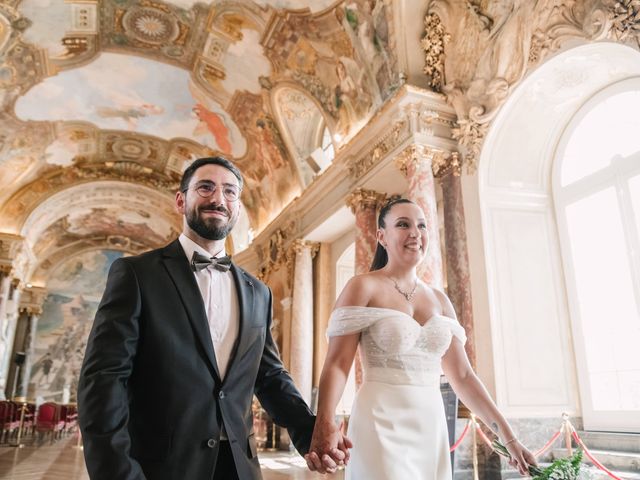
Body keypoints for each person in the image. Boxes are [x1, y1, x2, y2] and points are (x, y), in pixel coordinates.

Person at [78, 156, 349, 480]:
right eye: (205, 187)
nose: (218, 199)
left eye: (230, 192)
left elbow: (270, 376)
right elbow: (104, 379)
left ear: (236, 207)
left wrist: (311, 434)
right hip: (159, 466)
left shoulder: (257, 291)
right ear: (181, 200)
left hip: (239, 465)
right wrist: (117, 472)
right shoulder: (137, 274)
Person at [305, 198, 537, 479]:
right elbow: (337, 364)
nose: (415, 232)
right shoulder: (363, 286)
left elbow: (463, 376)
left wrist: (510, 439)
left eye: (422, 225)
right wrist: (325, 422)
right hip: (379, 421)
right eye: (403, 224)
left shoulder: (440, 300)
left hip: (431, 425)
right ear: (382, 236)